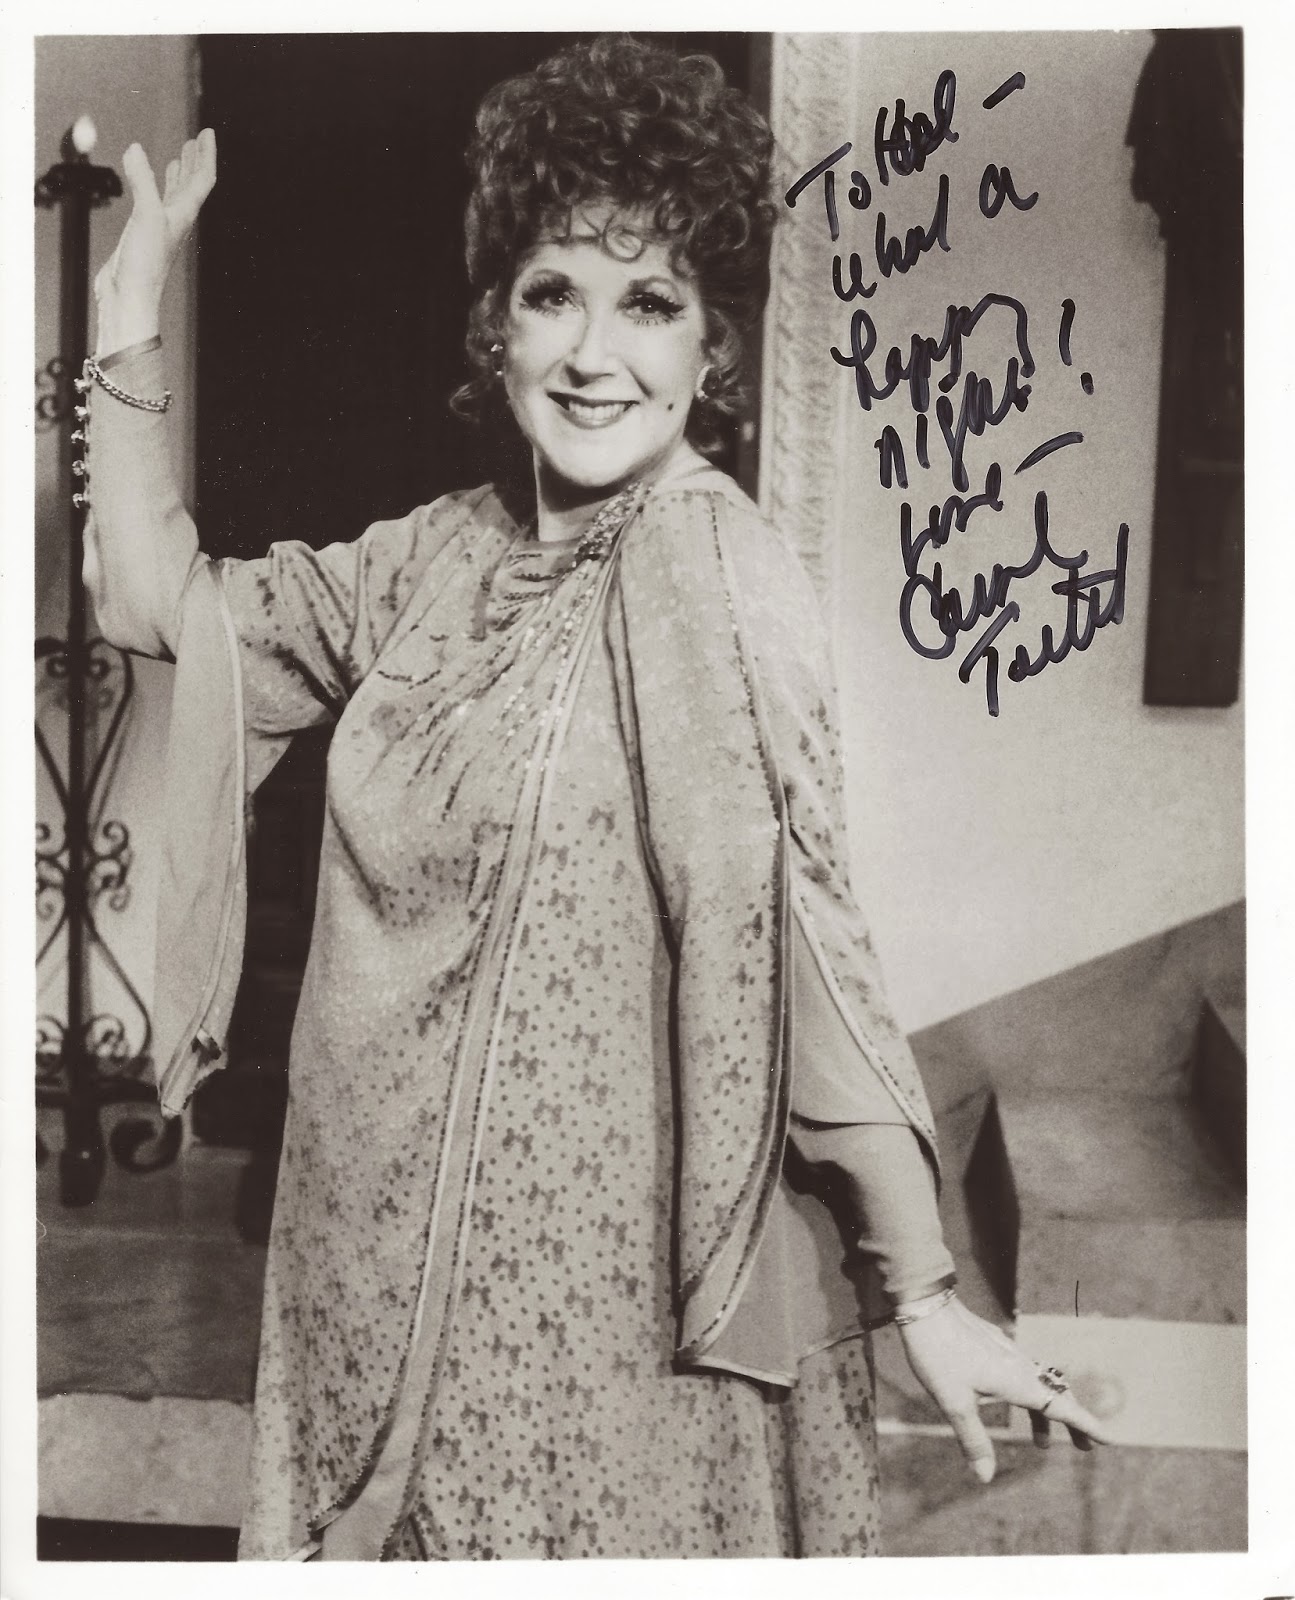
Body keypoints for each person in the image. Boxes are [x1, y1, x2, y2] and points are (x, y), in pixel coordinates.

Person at [82, 35, 1109, 1561]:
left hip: (586, 1326)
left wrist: (925, 1288)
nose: (593, 353)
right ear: (495, 326)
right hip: (361, 1268)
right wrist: (127, 309)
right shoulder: (435, 555)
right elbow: (154, 601)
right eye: (555, 292)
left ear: (713, 351)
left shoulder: (708, 564)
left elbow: (796, 936)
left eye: (651, 303)